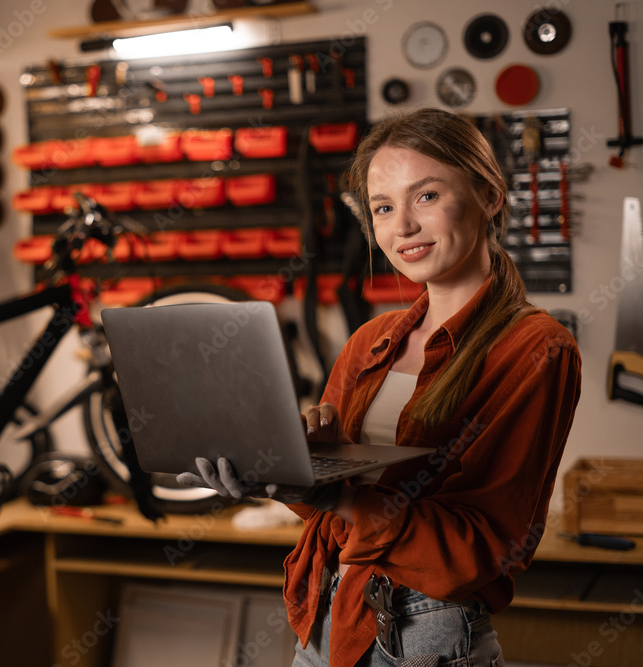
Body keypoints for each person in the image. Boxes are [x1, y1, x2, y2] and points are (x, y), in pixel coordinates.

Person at [178, 107, 582, 666]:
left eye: (427, 197)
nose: (402, 228)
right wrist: (284, 470)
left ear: (489, 196)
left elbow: (483, 547)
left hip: (424, 634)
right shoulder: (372, 339)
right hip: (327, 616)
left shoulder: (536, 348)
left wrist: (337, 494)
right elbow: (333, 512)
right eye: (384, 208)